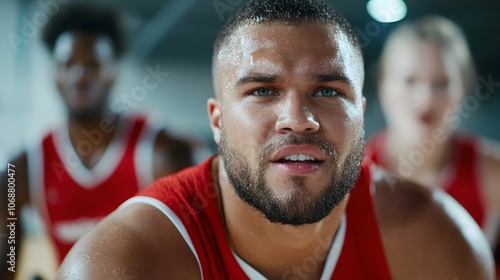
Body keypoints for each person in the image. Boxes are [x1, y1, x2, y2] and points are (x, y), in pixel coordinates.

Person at [56, 1, 494, 279]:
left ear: (361, 114)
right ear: (217, 120)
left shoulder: (436, 243)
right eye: (263, 91)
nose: (298, 120)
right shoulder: (123, 266)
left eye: (327, 91)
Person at [0, 3, 194, 280]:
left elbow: (196, 251)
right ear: (53, 73)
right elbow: (5, 257)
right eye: (67, 64)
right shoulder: (21, 170)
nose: (79, 76)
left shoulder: (162, 152)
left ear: (113, 70)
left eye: (92, 64)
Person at [364, 15, 500, 275]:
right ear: (383, 85)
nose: (425, 98)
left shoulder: (491, 172)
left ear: (464, 89)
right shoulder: (351, 175)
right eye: (410, 81)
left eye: (442, 83)